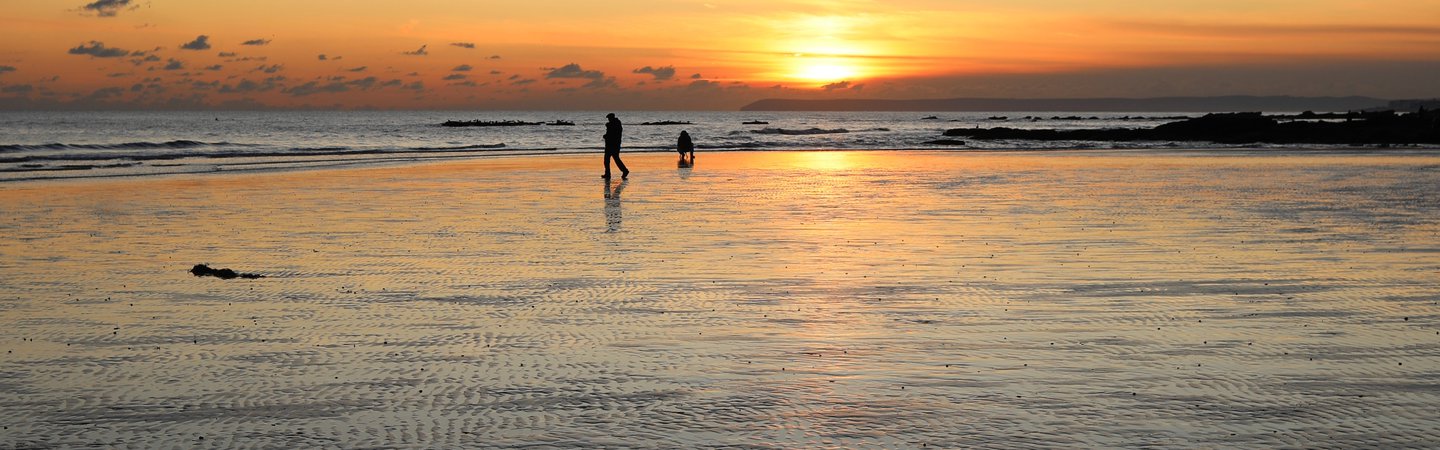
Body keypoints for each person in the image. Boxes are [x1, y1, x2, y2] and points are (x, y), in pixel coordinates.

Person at [602, 113, 629, 179]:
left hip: (612, 145)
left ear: (611, 118)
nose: (608, 120)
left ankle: (608, 174)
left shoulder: (613, 124)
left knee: (607, 160)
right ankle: (624, 171)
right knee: (615, 159)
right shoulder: (616, 124)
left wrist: (606, 136)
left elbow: (611, 134)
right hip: (614, 144)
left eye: (609, 118)